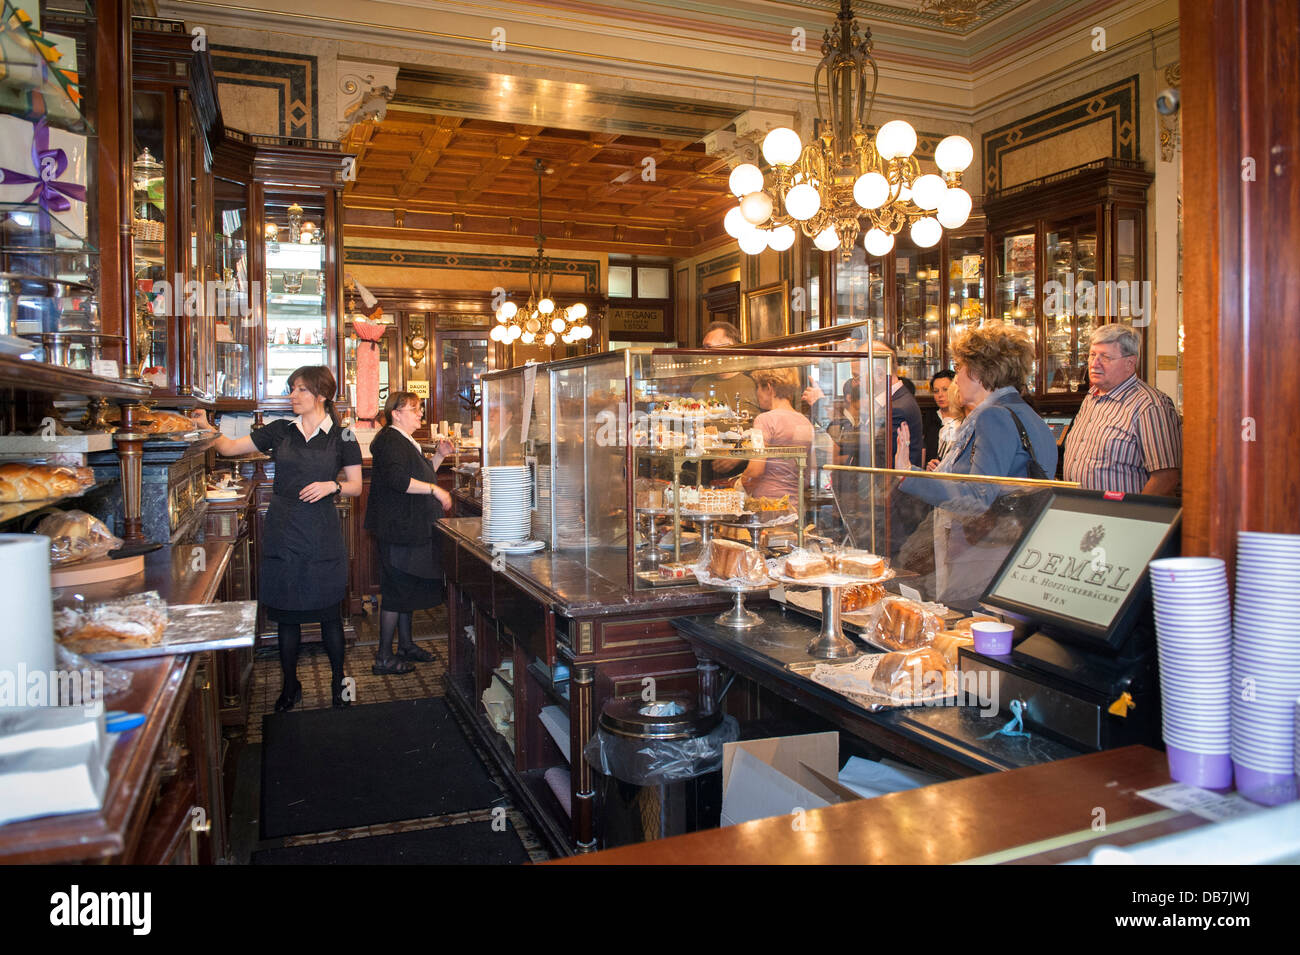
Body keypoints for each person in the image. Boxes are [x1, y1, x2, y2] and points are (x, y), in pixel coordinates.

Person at [192, 366, 362, 710]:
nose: (292, 395)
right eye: (291, 389)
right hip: (284, 529)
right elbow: (227, 448)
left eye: (299, 389)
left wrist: (333, 485)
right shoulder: (279, 430)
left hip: (322, 533)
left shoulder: (343, 437)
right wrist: (205, 426)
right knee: (287, 615)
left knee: (330, 615)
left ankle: (337, 683)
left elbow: (356, 486)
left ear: (321, 395)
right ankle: (289, 686)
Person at [896, 326, 1057, 608]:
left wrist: (909, 476)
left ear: (979, 371)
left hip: (984, 556)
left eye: (959, 367)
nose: (956, 376)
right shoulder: (1025, 412)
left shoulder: (993, 417)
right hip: (1014, 553)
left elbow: (977, 498)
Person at [365, 392, 454, 674]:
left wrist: (438, 456)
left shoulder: (405, 440)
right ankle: (383, 657)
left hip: (409, 527)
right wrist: (435, 489)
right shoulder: (390, 440)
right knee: (395, 591)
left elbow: (423, 474)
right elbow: (399, 481)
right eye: (414, 410)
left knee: (407, 589)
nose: (420, 415)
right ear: (396, 413)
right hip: (398, 529)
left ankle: (405, 645)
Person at [1063, 323, 1182, 495]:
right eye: (1092, 355)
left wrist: (1134, 517)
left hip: (1119, 518)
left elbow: (1166, 477)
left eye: (1105, 357)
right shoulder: (1091, 396)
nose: (1094, 364)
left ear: (1130, 362)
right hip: (1082, 513)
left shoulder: (1151, 406)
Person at [739, 367, 813, 499]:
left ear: (769, 387)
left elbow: (755, 471)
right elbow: (807, 476)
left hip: (766, 504)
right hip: (795, 504)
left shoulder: (764, 420)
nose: (757, 394)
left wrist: (736, 488)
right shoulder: (804, 421)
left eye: (758, 388)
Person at [691, 321, 760, 419]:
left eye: (709, 347)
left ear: (729, 347)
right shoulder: (698, 385)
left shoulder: (753, 384)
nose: (703, 354)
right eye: (703, 348)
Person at [922, 369, 956, 464]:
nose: (940, 395)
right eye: (936, 391)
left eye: (945, 390)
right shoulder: (927, 420)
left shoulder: (964, 420)